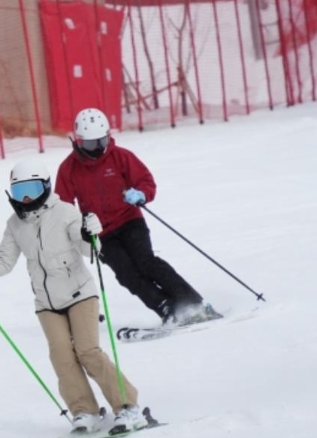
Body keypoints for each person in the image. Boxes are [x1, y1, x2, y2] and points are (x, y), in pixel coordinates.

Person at [0, 158, 146, 434]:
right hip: (46, 303)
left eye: (30, 189)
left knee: (88, 352)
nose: (26, 198)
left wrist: (92, 235)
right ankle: (85, 412)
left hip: (80, 295)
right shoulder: (15, 225)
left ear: (45, 187)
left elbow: (90, 253)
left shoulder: (66, 213)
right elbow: (4, 263)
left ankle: (127, 406)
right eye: (19, 192)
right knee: (61, 357)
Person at [55, 107, 220, 326]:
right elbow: (62, 206)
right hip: (101, 233)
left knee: (147, 263)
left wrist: (141, 194)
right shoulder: (69, 169)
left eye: (102, 142)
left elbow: (146, 181)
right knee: (127, 274)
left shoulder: (121, 157)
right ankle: (165, 308)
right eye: (90, 144)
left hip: (129, 220)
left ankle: (191, 302)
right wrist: (78, 228)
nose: (97, 149)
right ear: (79, 141)